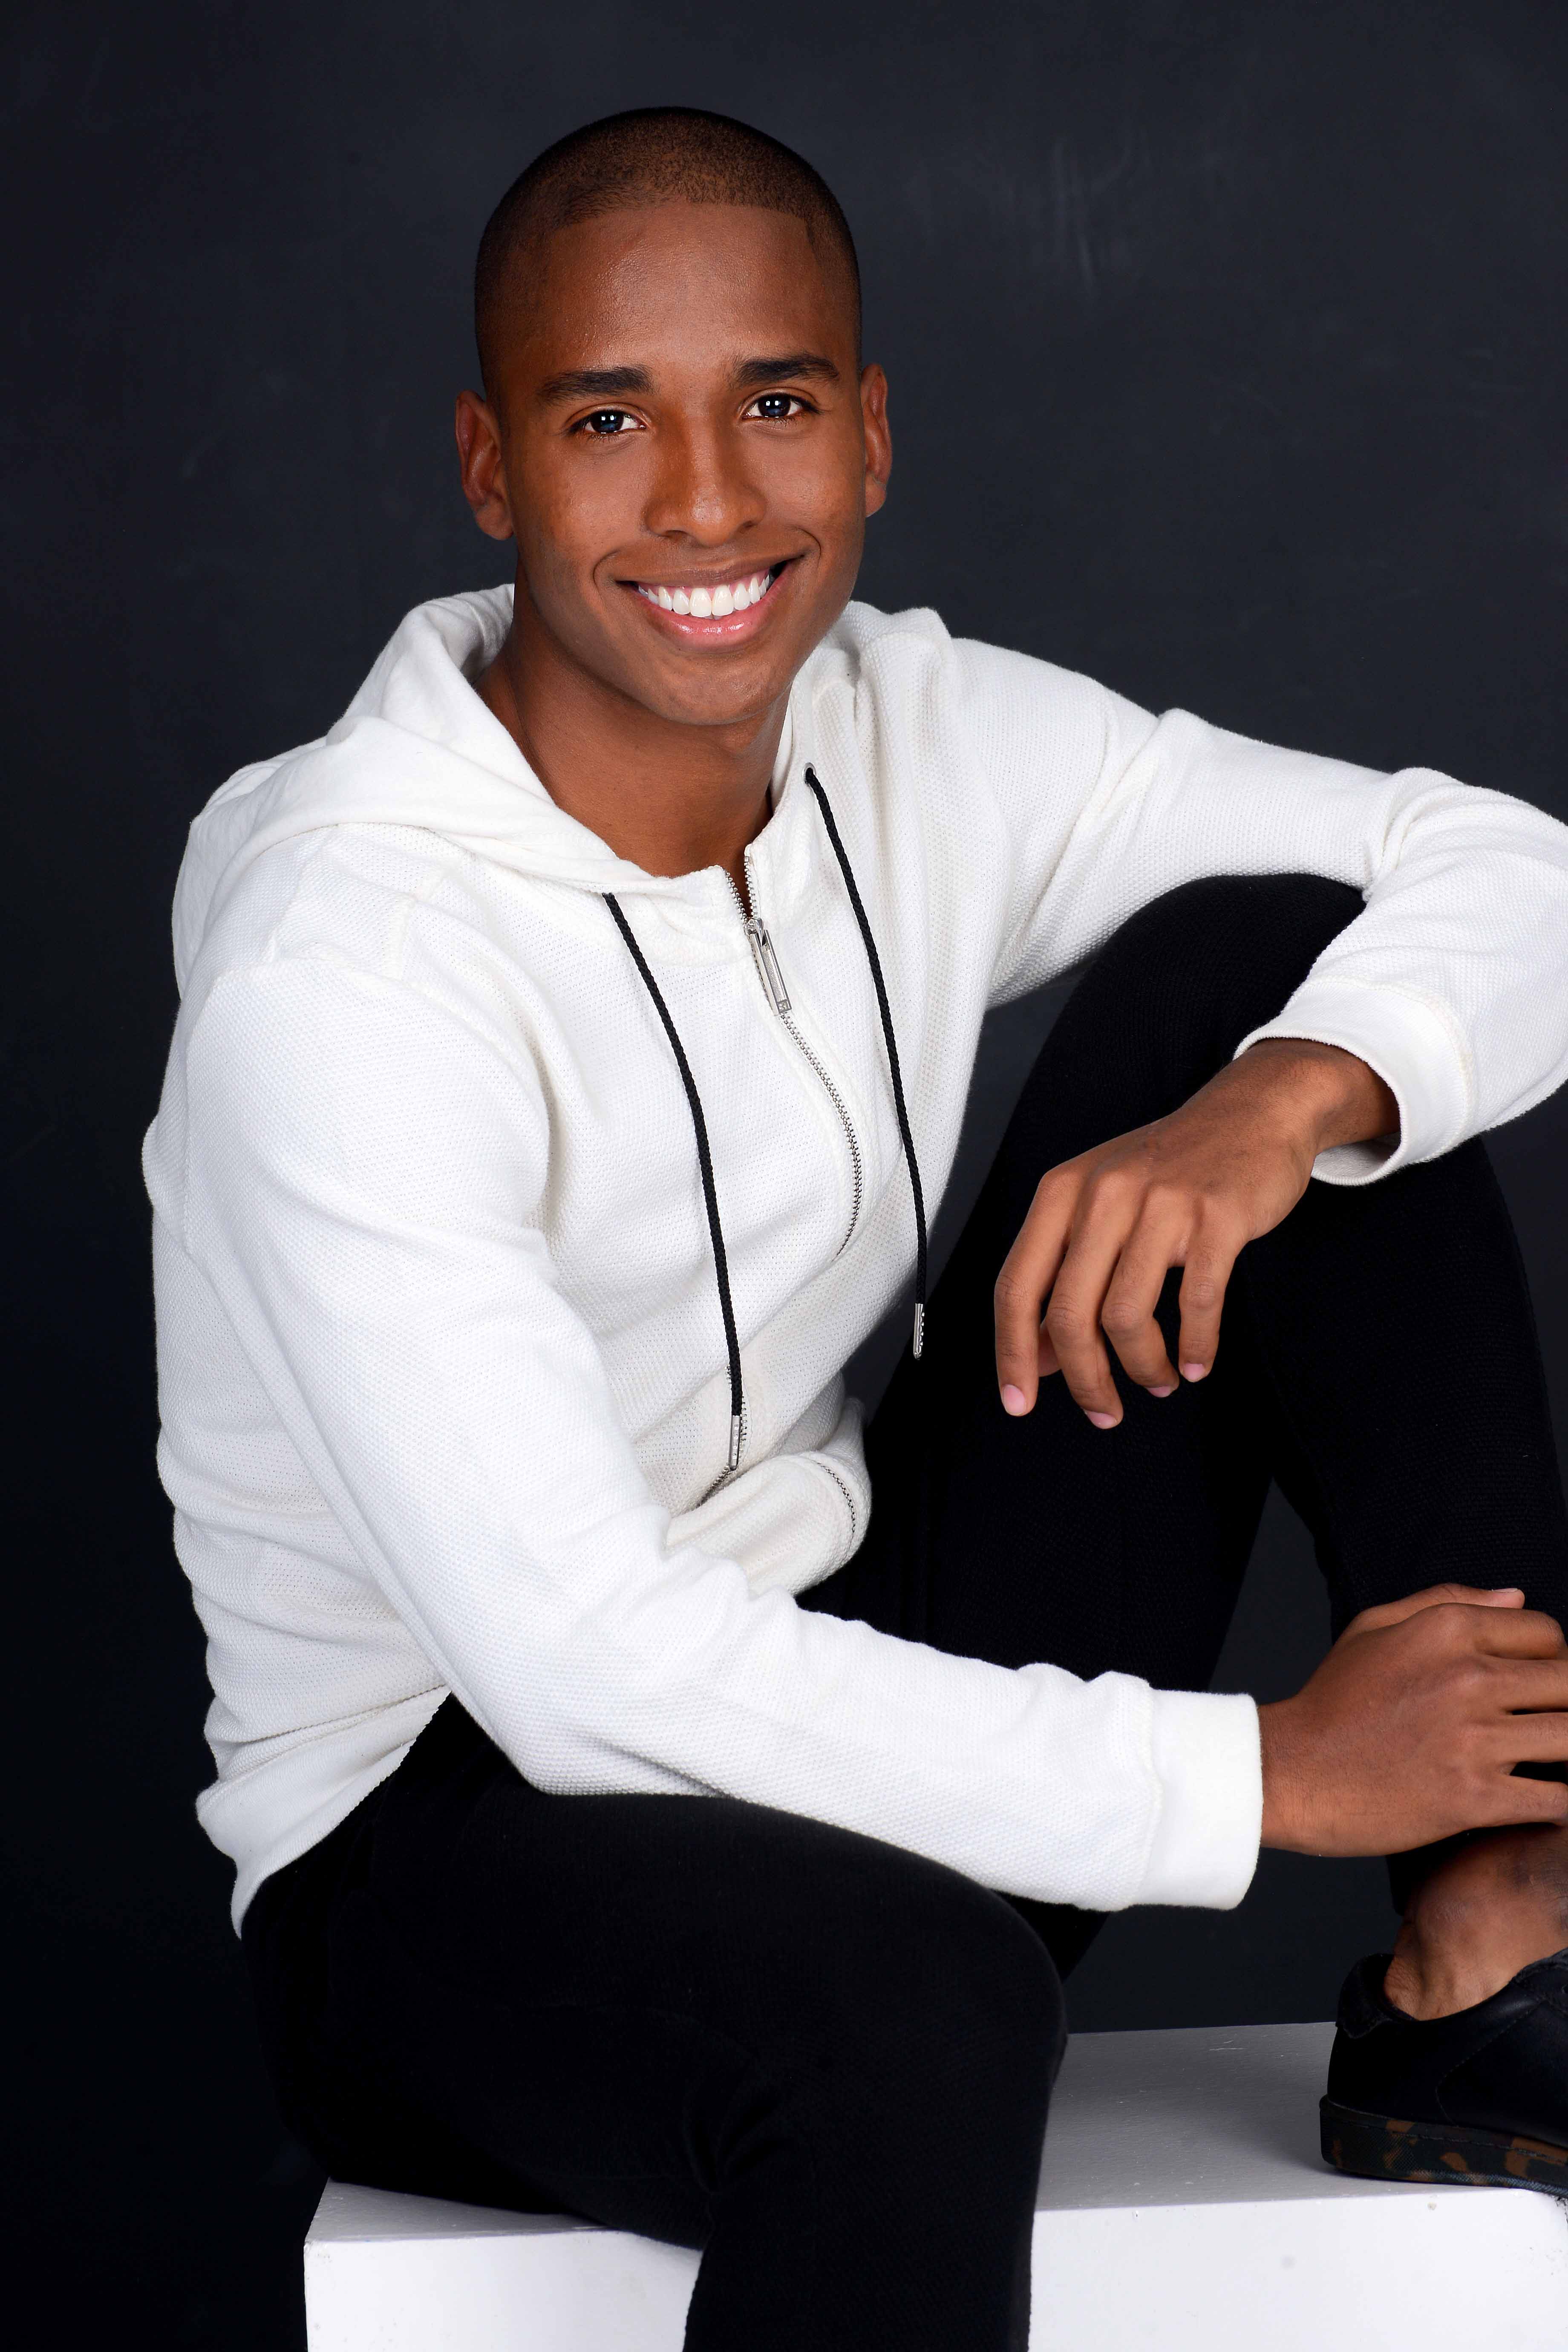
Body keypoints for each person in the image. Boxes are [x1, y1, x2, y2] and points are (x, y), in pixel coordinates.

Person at [145, 105, 1568, 2350]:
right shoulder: (346, 968)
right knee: (916, 2011)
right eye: (609, 419)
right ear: (491, 466)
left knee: (1285, 966)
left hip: (841, 1645)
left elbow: (1505, 866)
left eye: (777, 403)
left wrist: (1285, 1100)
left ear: (874, 434)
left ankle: (1499, 1955)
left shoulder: (910, 731)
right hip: (436, 1858)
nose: (709, 501)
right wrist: (1265, 1775)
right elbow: (581, 1662)